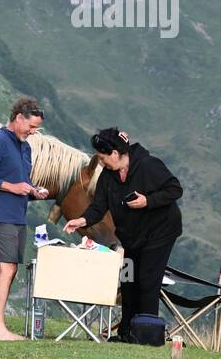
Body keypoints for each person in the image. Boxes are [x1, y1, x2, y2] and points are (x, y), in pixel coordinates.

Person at [63, 128, 183, 337]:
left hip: (160, 232)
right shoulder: (108, 177)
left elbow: (174, 189)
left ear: (115, 154)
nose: (100, 162)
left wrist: (148, 201)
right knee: (128, 279)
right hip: (131, 236)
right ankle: (126, 333)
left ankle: (146, 334)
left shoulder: (148, 166)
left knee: (147, 279)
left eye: (102, 157)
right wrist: (81, 220)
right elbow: (98, 207)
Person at [0, 97, 51, 340]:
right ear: (18, 119)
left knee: (11, 269)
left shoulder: (25, 147)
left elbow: (20, 181)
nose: (33, 132)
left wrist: (33, 190)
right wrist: (12, 187)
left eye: (37, 128)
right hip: (0, 214)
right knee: (5, 269)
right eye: (31, 126)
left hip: (17, 216)